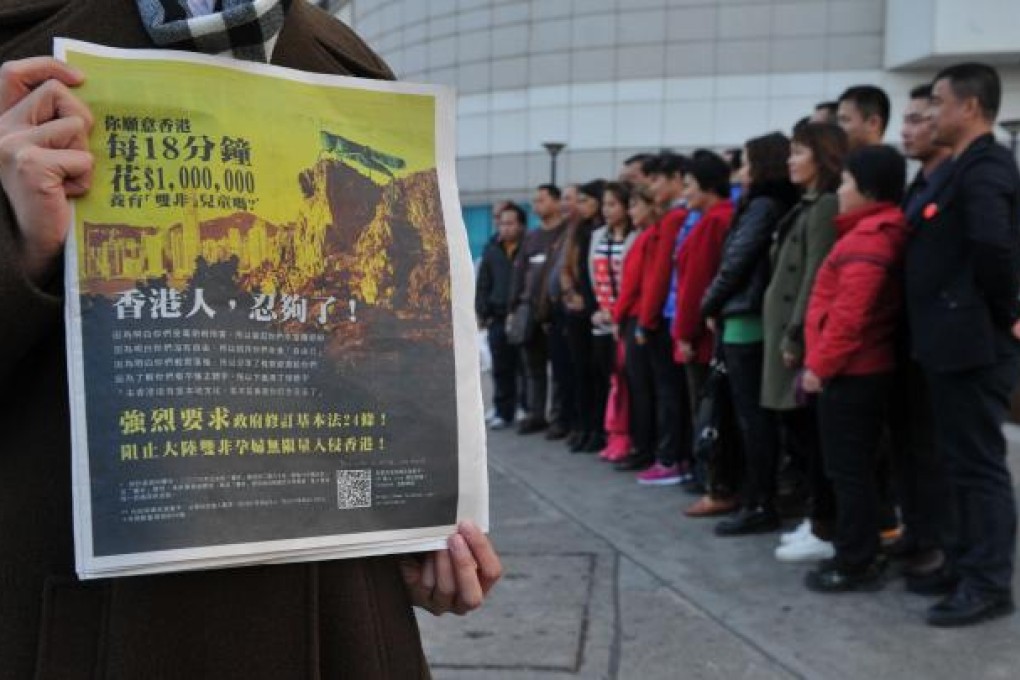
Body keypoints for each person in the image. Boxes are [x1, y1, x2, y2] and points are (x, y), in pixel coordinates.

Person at [0, 2, 501, 678]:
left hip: (338, 627)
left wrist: (418, 532)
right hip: (88, 629)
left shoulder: (348, 67)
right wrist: (22, 247)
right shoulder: (25, 54)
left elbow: (393, 380)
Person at [906, 62, 1020, 627]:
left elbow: (994, 245)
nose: (932, 115)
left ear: (970, 107)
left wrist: (1010, 315)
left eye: (940, 103)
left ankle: (989, 582)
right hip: (949, 341)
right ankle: (962, 560)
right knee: (957, 463)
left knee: (978, 466)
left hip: (975, 342)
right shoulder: (960, 166)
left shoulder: (987, 166)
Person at [800, 145, 909, 592]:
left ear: (866, 189)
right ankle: (867, 547)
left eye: (845, 183)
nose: (839, 191)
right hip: (861, 368)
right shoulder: (874, 232)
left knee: (848, 471)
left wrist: (819, 367)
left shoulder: (869, 239)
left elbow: (850, 317)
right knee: (857, 468)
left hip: (853, 371)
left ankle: (855, 561)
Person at [702, 133, 800, 536]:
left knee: (752, 419)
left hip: (746, 319)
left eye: (745, 163)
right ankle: (758, 495)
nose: (740, 172)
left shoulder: (761, 206)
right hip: (751, 316)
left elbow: (736, 261)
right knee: (754, 418)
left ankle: (759, 500)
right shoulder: (777, 204)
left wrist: (708, 303)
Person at [762, 122, 847, 563]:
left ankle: (824, 525)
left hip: (800, 340)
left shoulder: (825, 205)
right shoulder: (808, 205)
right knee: (797, 433)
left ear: (822, 156)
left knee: (810, 436)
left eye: (798, 152)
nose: (790, 160)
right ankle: (816, 517)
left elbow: (815, 277)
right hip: (786, 336)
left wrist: (796, 336)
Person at [889, 83, 957, 593]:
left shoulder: (960, 181)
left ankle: (943, 546)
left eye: (918, 119)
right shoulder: (919, 182)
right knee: (912, 446)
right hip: (911, 337)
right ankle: (919, 532)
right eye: (906, 119)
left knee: (942, 452)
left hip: (947, 337)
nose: (906, 130)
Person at [670, 151, 737, 513]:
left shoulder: (713, 222)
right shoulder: (719, 217)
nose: (686, 191)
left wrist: (683, 332)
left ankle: (715, 484)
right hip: (708, 328)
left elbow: (696, 283)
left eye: (691, 185)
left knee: (708, 411)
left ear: (708, 186)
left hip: (702, 334)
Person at [625, 153, 694, 484]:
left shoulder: (674, 219)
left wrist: (645, 319)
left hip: (662, 318)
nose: (651, 187)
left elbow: (659, 275)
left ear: (676, 178)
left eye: (655, 180)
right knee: (667, 392)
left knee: (668, 394)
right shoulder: (671, 218)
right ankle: (669, 456)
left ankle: (670, 459)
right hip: (661, 317)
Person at [612, 183, 661, 469]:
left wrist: (620, 315)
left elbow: (633, 285)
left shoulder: (648, 237)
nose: (631, 212)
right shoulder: (643, 236)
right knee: (639, 387)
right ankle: (642, 445)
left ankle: (644, 448)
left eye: (634, 205)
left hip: (637, 318)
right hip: (634, 317)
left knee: (642, 388)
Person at [510, 183, 565, 435]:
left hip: (556, 313)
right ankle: (535, 414)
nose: (536, 205)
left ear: (556, 201)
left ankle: (558, 417)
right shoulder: (531, 237)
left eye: (541, 200)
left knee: (559, 369)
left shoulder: (566, 234)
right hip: (529, 312)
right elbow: (519, 273)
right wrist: (514, 308)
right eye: (535, 201)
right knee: (533, 367)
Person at [588, 182, 638, 457]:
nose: (607, 210)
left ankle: (627, 437)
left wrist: (618, 312)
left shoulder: (635, 236)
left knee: (627, 380)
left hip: (625, 319)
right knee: (610, 380)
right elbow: (594, 276)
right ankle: (613, 434)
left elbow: (633, 282)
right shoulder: (598, 237)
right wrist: (600, 308)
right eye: (604, 204)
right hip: (602, 318)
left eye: (613, 204)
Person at [560, 180, 606, 451]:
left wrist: (587, 302)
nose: (580, 205)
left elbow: (597, 277)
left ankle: (598, 430)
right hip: (576, 310)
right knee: (579, 373)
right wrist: (570, 295)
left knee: (597, 373)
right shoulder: (577, 230)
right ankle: (584, 426)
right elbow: (566, 267)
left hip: (596, 310)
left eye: (586, 200)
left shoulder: (602, 232)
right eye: (580, 200)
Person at [477, 203, 526, 430]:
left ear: (521, 225)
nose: (504, 227)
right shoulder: (491, 248)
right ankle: (502, 410)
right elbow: (483, 283)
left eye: (510, 223)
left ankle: (525, 408)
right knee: (500, 367)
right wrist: (481, 311)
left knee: (524, 366)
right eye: (501, 222)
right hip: (497, 317)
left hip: (523, 316)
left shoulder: (528, 247)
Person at [836, 85, 890, 151]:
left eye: (845, 120)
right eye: (838, 121)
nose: (837, 127)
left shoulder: (887, 161)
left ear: (873, 123)